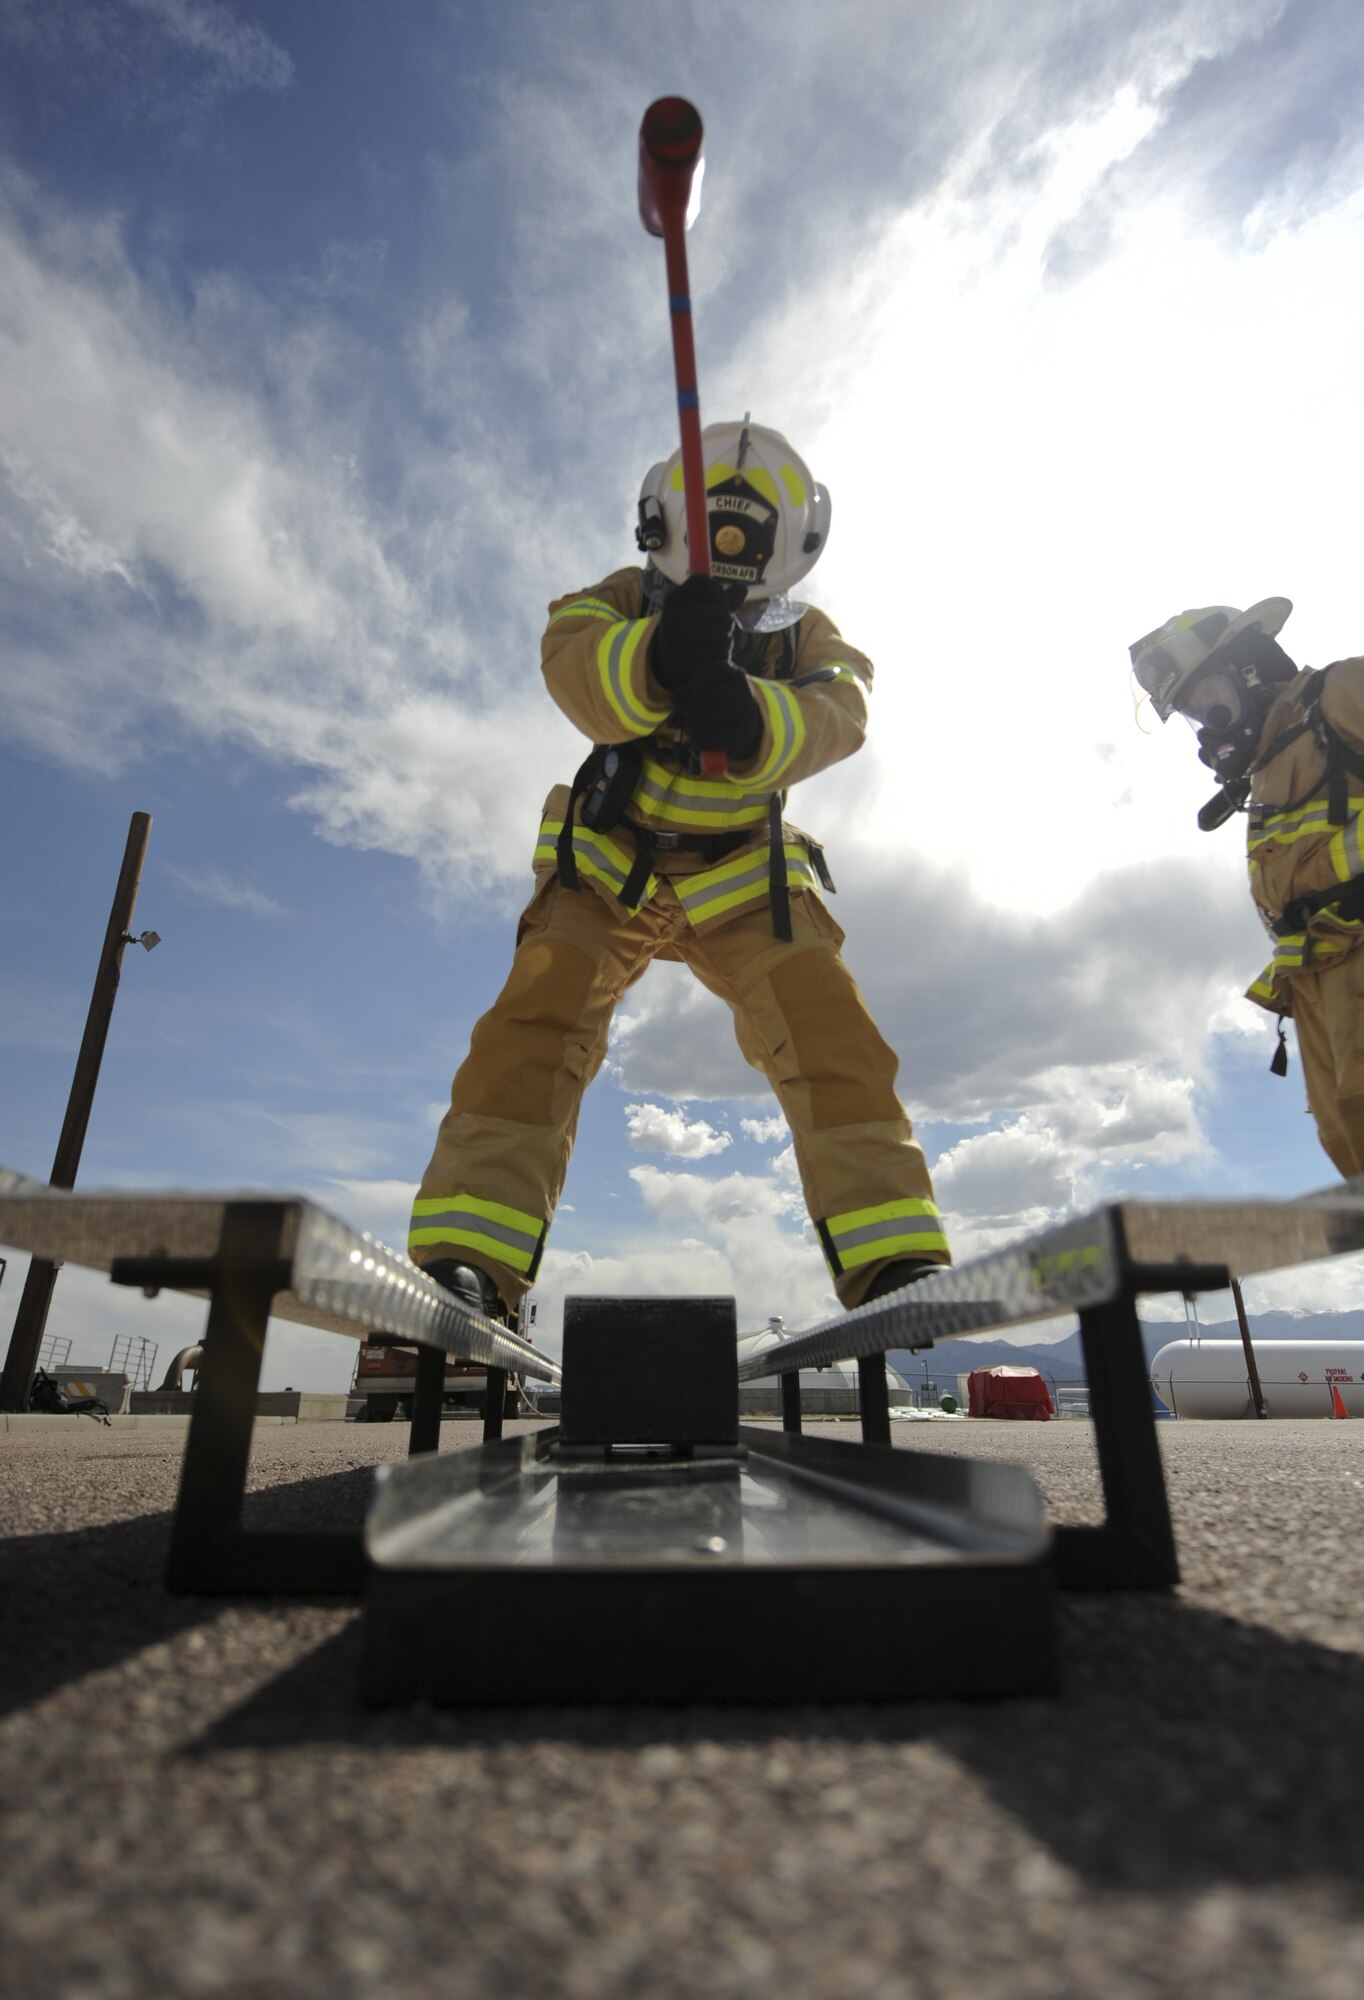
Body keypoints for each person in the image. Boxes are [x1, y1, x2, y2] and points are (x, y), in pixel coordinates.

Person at [409, 420, 951, 1318]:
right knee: (532, 1034)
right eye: (714, 528)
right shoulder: (612, 600)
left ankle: (893, 1258)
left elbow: (844, 707)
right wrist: (657, 654)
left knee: (830, 1035)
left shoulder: (805, 634)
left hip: (744, 884)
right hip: (607, 873)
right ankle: (470, 1260)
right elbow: (575, 667)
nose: (732, 547)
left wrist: (754, 719)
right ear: (668, 528)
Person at [1131, 597, 1364, 1177]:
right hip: (1316, 981)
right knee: (1349, 1140)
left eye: (1207, 695)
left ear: (1250, 666)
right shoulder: (1266, 773)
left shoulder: (1342, 691)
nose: (1205, 719)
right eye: (1189, 710)